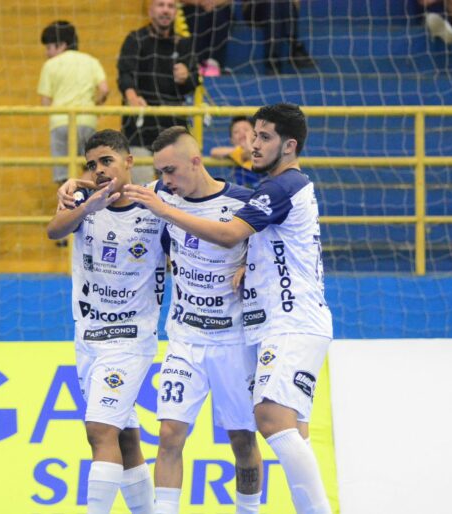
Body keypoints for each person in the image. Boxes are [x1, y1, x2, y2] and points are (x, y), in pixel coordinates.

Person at [124, 104, 333, 514]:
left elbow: (230, 233)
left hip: (288, 322)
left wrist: (168, 211)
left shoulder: (278, 188)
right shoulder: (269, 191)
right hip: (251, 329)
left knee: (268, 423)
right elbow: (253, 239)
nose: (253, 145)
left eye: (265, 138)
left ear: (290, 146)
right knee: (290, 430)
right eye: (253, 136)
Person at [47, 129, 166, 514]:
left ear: (129, 161)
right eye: (91, 165)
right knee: (126, 438)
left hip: (132, 337)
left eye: (106, 161)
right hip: (88, 337)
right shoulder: (82, 199)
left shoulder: (156, 202)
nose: (98, 170)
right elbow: (54, 231)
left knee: (99, 431)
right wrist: (84, 199)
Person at [146, 127, 263, 514]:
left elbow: (279, 245)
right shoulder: (163, 195)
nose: (165, 181)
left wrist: (250, 263)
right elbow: (111, 185)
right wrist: (72, 186)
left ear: (195, 162)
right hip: (185, 339)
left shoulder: (243, 201)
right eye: (160, 172)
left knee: (243, 440)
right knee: (169, 434)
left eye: (171, 171)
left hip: (234, 342)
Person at [117, 0, 198, 184]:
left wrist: (186, 77)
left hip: (174, 127)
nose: (166, 10)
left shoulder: (184, 44)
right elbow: (124, 74)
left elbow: (194, 82)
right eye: (161, 5)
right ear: (150, 10)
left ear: (176, 12)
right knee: (141, 189)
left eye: (170, 6)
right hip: (139, 127)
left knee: (179, 192)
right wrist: (132, 96)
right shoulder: (135, 39)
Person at [38, 20, 109, 184]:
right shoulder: (91, 61)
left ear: (62, 45)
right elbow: (104, 89)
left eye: (49, 47)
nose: (47, 53)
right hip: (86, 120)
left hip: (60, 123)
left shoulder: (50, 65)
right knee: (91, 167)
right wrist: (95, 105)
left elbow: (45, 102)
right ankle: (81, 194)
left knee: (62, 175)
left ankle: (70, 198)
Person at [243, 0, 315, 73]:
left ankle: (292, 47)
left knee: (285, 3)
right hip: (254, 9)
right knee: (273, 4)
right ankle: (274, 57)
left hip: (280, 9)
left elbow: (296, 3)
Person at [179, 0, 232, 77]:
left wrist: (213, 2)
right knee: (197, 14)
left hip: (216, 6)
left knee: (219, 14)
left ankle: (214, 62)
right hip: (192, 6)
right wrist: (201, 2)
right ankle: (196, 63)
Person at [209, 116, 259, 188]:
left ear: (255, 134)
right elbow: (214, 152)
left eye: (246, 130)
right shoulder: (237, 153)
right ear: (232, 140)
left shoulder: (264, 151)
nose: (242, 133)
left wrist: (248, 146)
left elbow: (251, 154)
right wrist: (240, 150)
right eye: (236, 132)